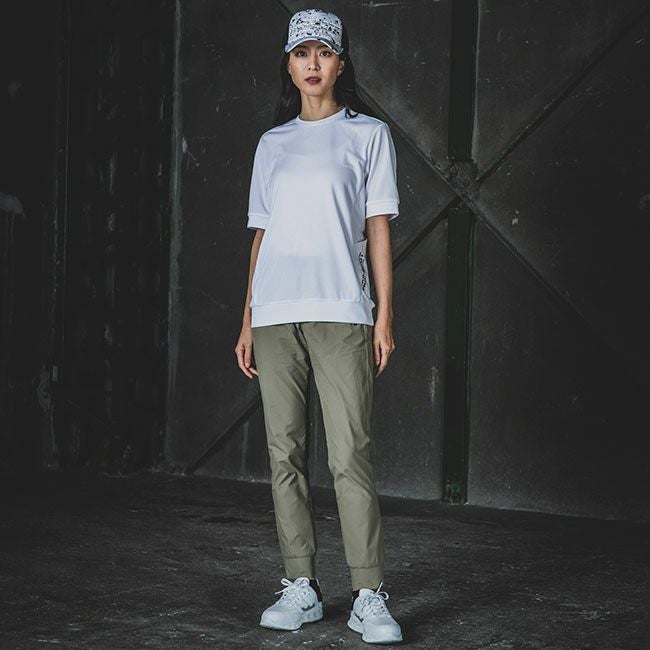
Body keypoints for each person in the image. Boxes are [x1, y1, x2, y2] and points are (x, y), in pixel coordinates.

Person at [234, 8, 403, 645]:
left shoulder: (369, 135)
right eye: (301, 52)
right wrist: (247, 318)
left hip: (342, 310)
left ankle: (368, 594)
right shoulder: (272, 144)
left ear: (340, 63)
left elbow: (378, 228)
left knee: (349, 453)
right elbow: (261, 236)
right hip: (275, 312)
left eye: (324, 53)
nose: (312, 63)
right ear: (288, 64)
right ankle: (300, 584)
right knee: (284, 452)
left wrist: (384, 313)